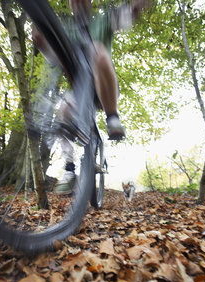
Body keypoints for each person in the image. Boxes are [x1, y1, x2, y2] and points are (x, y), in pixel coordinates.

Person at [33, 0, 152, 194]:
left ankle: (112, 116)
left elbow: (125, 16)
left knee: (97, 50)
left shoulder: (103, 21)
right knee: (63, 110)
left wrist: (136, 8)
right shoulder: (65, 29)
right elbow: (52, 55)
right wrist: (40, 40)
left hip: (103, 85)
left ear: (90, 3)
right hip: (79, 93)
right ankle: (70, 170)